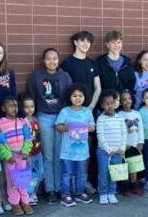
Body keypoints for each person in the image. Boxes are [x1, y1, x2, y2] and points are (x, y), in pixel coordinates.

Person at [27, 48, 73, 202]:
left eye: (55, 58)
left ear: (58, 60)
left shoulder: (65, 76)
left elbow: (69, 97)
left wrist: (66, 118)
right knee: (48, 156)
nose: (52, 61)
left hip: (61, 118)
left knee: (59, 155)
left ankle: (59, 188)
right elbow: (32, 97)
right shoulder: (36, 76)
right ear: (43, 60)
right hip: (44, 117)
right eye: (48, 58)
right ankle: (49, 189)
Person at [54, 84, 95, 206]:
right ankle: (65, 195)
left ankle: (79, 193)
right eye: (74, 95)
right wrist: (65, 128)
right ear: (70, 97)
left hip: (82, 151)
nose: (77, 98)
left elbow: (93, 127)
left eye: (80, 96)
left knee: (81, 173)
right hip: (67, 150)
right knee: (66, 173)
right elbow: (57, 126)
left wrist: (89, 128)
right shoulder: (65, 111)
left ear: (85, 97)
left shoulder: (87, 111)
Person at [0, 96, 35, 215]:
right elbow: (0, 143)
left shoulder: (22, 122)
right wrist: (7, 156)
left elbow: (28, 138)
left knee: (22, 180)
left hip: (22, 156)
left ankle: (25, 202)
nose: (14, 108)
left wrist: (26, 151)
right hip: (10, 158)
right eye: (10, 106)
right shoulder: (0, 124)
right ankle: (15, 203)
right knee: (11, 181)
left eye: (16, 106)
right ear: (3, 108)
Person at [95, 90, 127, 203]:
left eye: (112, 103)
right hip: (104, 152)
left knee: (115, 173)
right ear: (102, 105)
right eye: (107, 104)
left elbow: (124, 134)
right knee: (104, 173)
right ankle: (103, 193)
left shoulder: (120, 118)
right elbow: (100, 135)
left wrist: (122, 148)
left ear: (116, 103)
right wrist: (109, 150)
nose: (110, 106)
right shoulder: (101, 119)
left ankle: (111, 192)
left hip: (118, 152)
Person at [60, 31, 101, 111]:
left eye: (88, 42)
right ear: (75, 42)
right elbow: (64, 89)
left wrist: (91, 107)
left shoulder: (93, 63)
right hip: (73, 110)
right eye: (82, 41)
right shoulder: (67, 64)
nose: (86, 44)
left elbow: (98, 88)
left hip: (90, 109)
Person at [115, 88, 145, 196]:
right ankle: (125, 186)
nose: (127, 101)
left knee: (134, 167)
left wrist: (140, 142)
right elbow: (118, 132)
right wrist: (122, 145)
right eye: (124, 100)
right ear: (120, 102)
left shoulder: (137, 114)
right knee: (124, 167)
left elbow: (141, 129)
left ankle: (134, 185)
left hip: (135, 145)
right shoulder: (119, 115)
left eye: (129, 99)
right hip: (125, 146)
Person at [95, 30, 136, 101]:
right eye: (113, 43)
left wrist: (126, 93)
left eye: (119, 42)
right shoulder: (100, 62)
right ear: (107, 45)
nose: (116, 45)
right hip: (106, 101)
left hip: (123, 101)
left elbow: (132, 81)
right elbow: (98, 85)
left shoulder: (127, 62)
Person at [21, 93, 44, 204]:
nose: (30, 109)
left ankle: (33, 192)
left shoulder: (36, 119)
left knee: (40, 174)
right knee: (29, 176)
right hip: (28, 155)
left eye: (32, 106)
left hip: (38, 152)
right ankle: (28, 195)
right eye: (26, 107)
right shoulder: (22, 122)